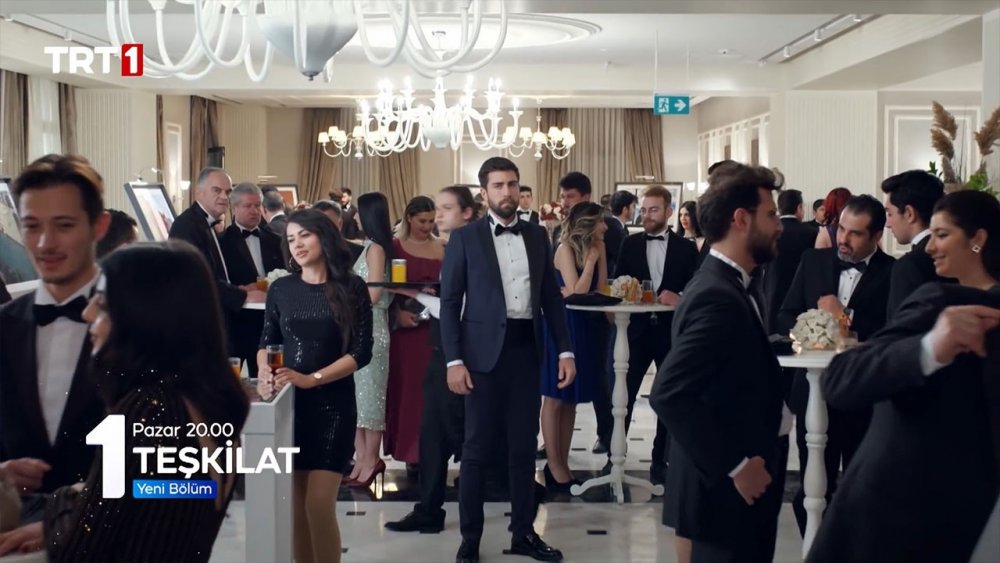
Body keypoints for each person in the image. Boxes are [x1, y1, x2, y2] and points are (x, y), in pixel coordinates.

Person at [0, 242, 251, 560]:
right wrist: (84, 503)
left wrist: (69, 497)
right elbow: (164, 501)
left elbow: (79, 551)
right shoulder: (203, 402)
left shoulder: (144, 411)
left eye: (103, 306)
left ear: (145, 318)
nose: (87, 314)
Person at [807, 190, 1000, 563]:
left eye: (942, 235)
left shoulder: (941, 297)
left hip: (962, 520)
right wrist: (929, 349)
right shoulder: (939, 305)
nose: (930, 247)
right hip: (896, 519)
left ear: (978, 239)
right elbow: (842, 380)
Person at [651, 162, 787, 563]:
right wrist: (737, 465)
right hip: (722, 494)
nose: (779, 226)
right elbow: (669, 393)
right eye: (771, 215)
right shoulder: (717, 295)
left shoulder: (732, 284)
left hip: (732, 492)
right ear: (741, 220)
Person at [441, 157, 574, 563]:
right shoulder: (464, 238)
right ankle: (470, 539)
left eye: (512, 184)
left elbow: (551, 297)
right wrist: (453, 360)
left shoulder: (537, 234)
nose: (507, 192)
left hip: (526, 351)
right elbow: (450, 303)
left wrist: (565, 350)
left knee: (523, 447)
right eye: (498, 185)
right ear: (484, 193)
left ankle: (523, 533)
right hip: (480, 356)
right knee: (476, 449)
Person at [257, 209, 373, 563]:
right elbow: (268, 341)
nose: (297, 244)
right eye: (291, 239)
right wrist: (264, 370)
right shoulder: (281, 289)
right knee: (294, 507)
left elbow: (361, 352)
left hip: (333, 406)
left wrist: (312, 379)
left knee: (318, 505)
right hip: (289, 407)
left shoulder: (352, 287)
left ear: (324, 236)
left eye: (304, 235)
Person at [778, 194, 896, 536]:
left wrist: (845, 316)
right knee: (813, 486)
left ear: (877, 236)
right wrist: (810, 328)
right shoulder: (812, 260)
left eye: (855, 233)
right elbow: (785, 314)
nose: (843, 239)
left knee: (862, 487)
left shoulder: (894, 272)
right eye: (841, 229)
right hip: (814, 390)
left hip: (863, 395)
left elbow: (893, 331)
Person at [0, 155, 108, 526]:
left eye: (64, 225)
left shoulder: (138, 326)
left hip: (112, 541)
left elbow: (183, 476)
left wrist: (66, 522)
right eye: (31, 226)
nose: (45, 243)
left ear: (98, 226)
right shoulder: (3, 326)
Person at [615, 185, 699, 486]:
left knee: (668, 398)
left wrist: (680, 298)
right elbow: (618, 282)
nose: (647, 215)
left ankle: (660, 460)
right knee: (622, 396)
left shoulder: (687, 249)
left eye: (653, 209)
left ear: (668, 211)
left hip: (671, 332)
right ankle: (615, 457)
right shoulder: (629, 244)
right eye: (644, 209)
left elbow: (696, 287)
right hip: (635, 332)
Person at [541, 201, 607, 491]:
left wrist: (597, 259)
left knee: (570, 400)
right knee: (555, 396)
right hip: (562, 325)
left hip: (585, 324)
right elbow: (578, 293)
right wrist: (590, 262)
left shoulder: (598, 247)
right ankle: (553, 465)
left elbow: (600, 289)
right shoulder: (565, 249)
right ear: (587, 224)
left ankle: (563, 463)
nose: (605, 227)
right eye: (601, 221)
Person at [385, 196, 444, 468]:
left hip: (435, 328)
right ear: (409, 218)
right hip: (405, 331)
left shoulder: (442, 246)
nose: (427, 226)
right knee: (409, 390)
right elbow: (383, 287)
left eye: (431, 221)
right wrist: (397, 314)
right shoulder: (394, 247)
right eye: (422, 221)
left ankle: (433, 451)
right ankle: (410, 451)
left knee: (433, 393)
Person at [168, 167, 266, 318]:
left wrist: (240, 289)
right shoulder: (187, 225)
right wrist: (243, 296)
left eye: (228, 192)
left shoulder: (204, 223)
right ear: (199, 193)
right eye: (217, 190)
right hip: (196, 319)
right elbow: (197, 280)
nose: (224, 197)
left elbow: (212, 275)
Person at [346, 192, 394, 487]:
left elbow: (374, 292)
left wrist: (344, 299)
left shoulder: (377, 249)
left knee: (371, 398)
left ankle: (371, 459)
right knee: (357, 400)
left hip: (373, 329)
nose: (354, 216)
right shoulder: (368, 246)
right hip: (359, 327)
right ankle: (362, 459)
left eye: (358, 212)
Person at [219, 182, 284, 380]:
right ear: (234, 208)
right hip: (236, 323)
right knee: (230, 382)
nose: (255, 211)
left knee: (269, 379)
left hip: (268, 323)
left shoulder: (275, 240)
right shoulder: (222, 242)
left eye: (258, 205)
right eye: (248, 206)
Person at [882, 170, 950, 314]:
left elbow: (899, 326)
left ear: (909, 213)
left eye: (889, 213)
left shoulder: (908, 266)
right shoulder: (956, 255)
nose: (887, 224)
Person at [763, 189, 819, 332]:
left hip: (772, 290)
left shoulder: (768, 233)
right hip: (799, 294)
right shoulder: (811, 233)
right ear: (799, 208)